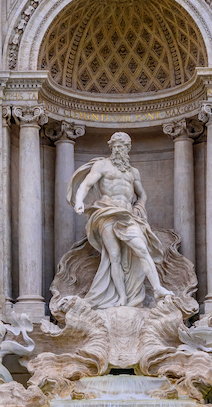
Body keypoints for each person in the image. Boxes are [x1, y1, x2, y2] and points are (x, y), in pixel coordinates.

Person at [69, 132, 171, 308]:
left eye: (121, 146)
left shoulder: (133, 172)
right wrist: (79, 202)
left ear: (128, 149)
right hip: (106, 212)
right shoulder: (102, 165)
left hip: (128, 215)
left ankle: (157, 288)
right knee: (113, 255)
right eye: (115, 146)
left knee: (142, 249)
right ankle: (122, 298)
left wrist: (140, 206)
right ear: (111, 147)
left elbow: (142, 194)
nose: (118, 150)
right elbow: (86, 184)